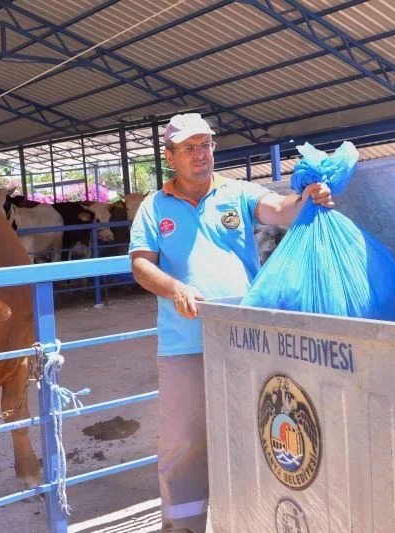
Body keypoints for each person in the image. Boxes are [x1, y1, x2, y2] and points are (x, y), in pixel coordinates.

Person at [129, 113, 333, 533]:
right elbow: (140, 267)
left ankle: (251, 517)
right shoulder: (153, 207)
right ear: (170, 157)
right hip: (184, 341)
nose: (200, 154)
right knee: (185, 438)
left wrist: (309, 198)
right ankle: (183, 525)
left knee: (254, 430)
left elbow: (280, 210)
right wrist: (175, 289)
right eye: (189, 148)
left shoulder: (237, 192)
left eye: (205, 145)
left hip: (244, 341)